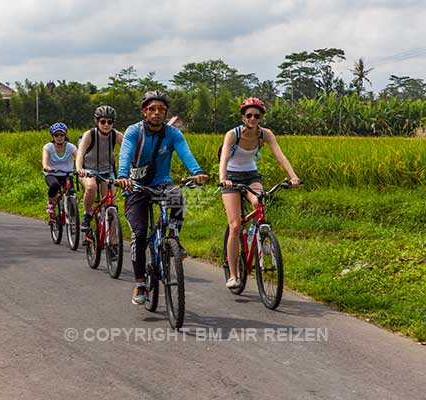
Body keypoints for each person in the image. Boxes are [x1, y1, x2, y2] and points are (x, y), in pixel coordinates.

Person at [116, 90, 209, 305]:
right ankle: (140, 284)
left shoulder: (173, 134)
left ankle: (173, 239)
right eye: (152, 109)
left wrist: (197, 172)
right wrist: (122, 176)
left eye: (161, 109)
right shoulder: (134, 132)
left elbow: (186, 153)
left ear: (166, 112)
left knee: (177, 197)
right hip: (136, 186)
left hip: (162, 183)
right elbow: (126, 154)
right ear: (144, 111)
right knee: (139, 235)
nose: (157, 113)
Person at [218, 97, 301, 289]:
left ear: (261, 117)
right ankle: (233, 275)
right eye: (249, 115)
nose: (252, 118)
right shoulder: (233, 134)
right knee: (236, 225)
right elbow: (224, 158)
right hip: (231, 176)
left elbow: (280, 155)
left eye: (256, 115)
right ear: (243, 117)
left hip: (251, 175)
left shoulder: (266, 134)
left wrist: (293, 177)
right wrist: (223, 178)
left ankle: (259, 238)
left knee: (258, 203)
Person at [75, 105, 124, 232]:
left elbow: (130, 151)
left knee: (111, 205)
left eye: (110, 122)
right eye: (103, 121)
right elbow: (80, 153)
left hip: (108, 171)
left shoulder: (116, 135)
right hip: (89, 170)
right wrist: (80, 168)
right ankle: (87, 214)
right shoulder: (90, 134)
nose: (106, 124)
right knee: (91, 188)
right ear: (97, 122)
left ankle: (112, 243)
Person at [42, 122, 77, 215]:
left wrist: (81, 168)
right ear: (52, 136)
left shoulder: (71, 147)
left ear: (65, 135)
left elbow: (79, 157)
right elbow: (44, 161)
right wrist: (47, 167)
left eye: (61, 135)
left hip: (67, 174)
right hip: (52, 174)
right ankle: (50, 203)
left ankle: (73, 219)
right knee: (55, 185)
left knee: (71, 192)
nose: (59, 137)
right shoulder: (48, 147)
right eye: (56, 135)